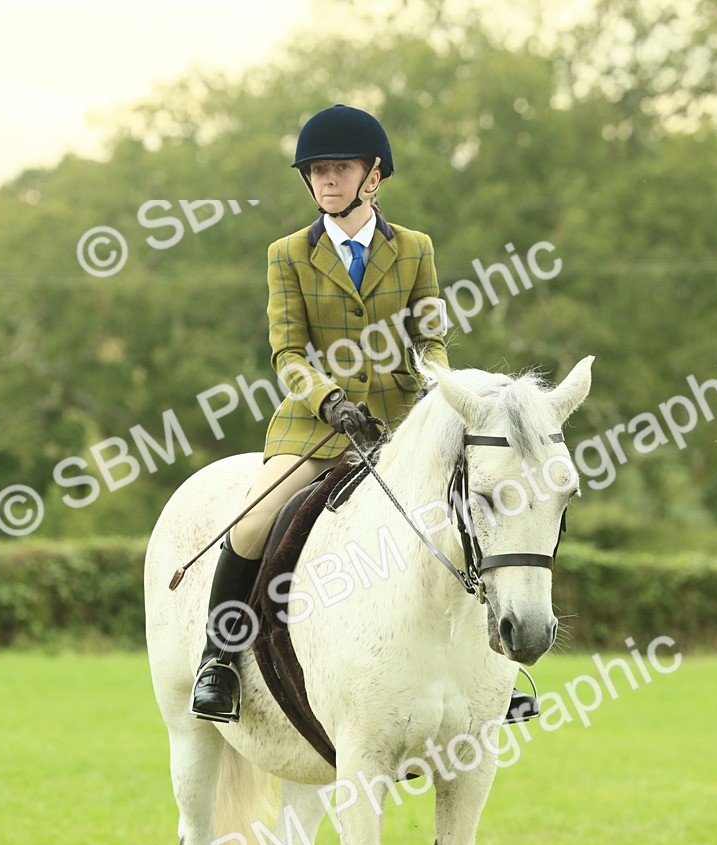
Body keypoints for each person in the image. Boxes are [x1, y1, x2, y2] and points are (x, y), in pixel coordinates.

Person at [190, 103, 538, 726]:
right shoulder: (287, 254)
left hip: (402, 426)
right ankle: (219, 659)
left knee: (476, 515)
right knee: (251, 524)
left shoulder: (414, 249)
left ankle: (496, 671)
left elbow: (429, 335)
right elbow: (288, 353)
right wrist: (329, 399)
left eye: (340, 168)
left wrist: (435, 384)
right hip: (316, 426)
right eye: (317, 170)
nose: (326, 179)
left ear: (372, 176)